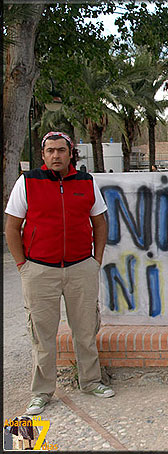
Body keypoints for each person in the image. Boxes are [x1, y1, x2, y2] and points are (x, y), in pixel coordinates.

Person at [5, 131, 115, 416]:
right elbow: (12, 227)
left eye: (61, 150)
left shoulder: (86, 183)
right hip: (40, 270)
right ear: (43, 155)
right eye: (50, 151)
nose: (56, 155)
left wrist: (96, 259)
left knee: (86, 328)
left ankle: (90, 381)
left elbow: (100, 223)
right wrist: (22, 265)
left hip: (81, 267)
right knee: (42, 334)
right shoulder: (27, 182)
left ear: (71, 153)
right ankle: (41, 392)